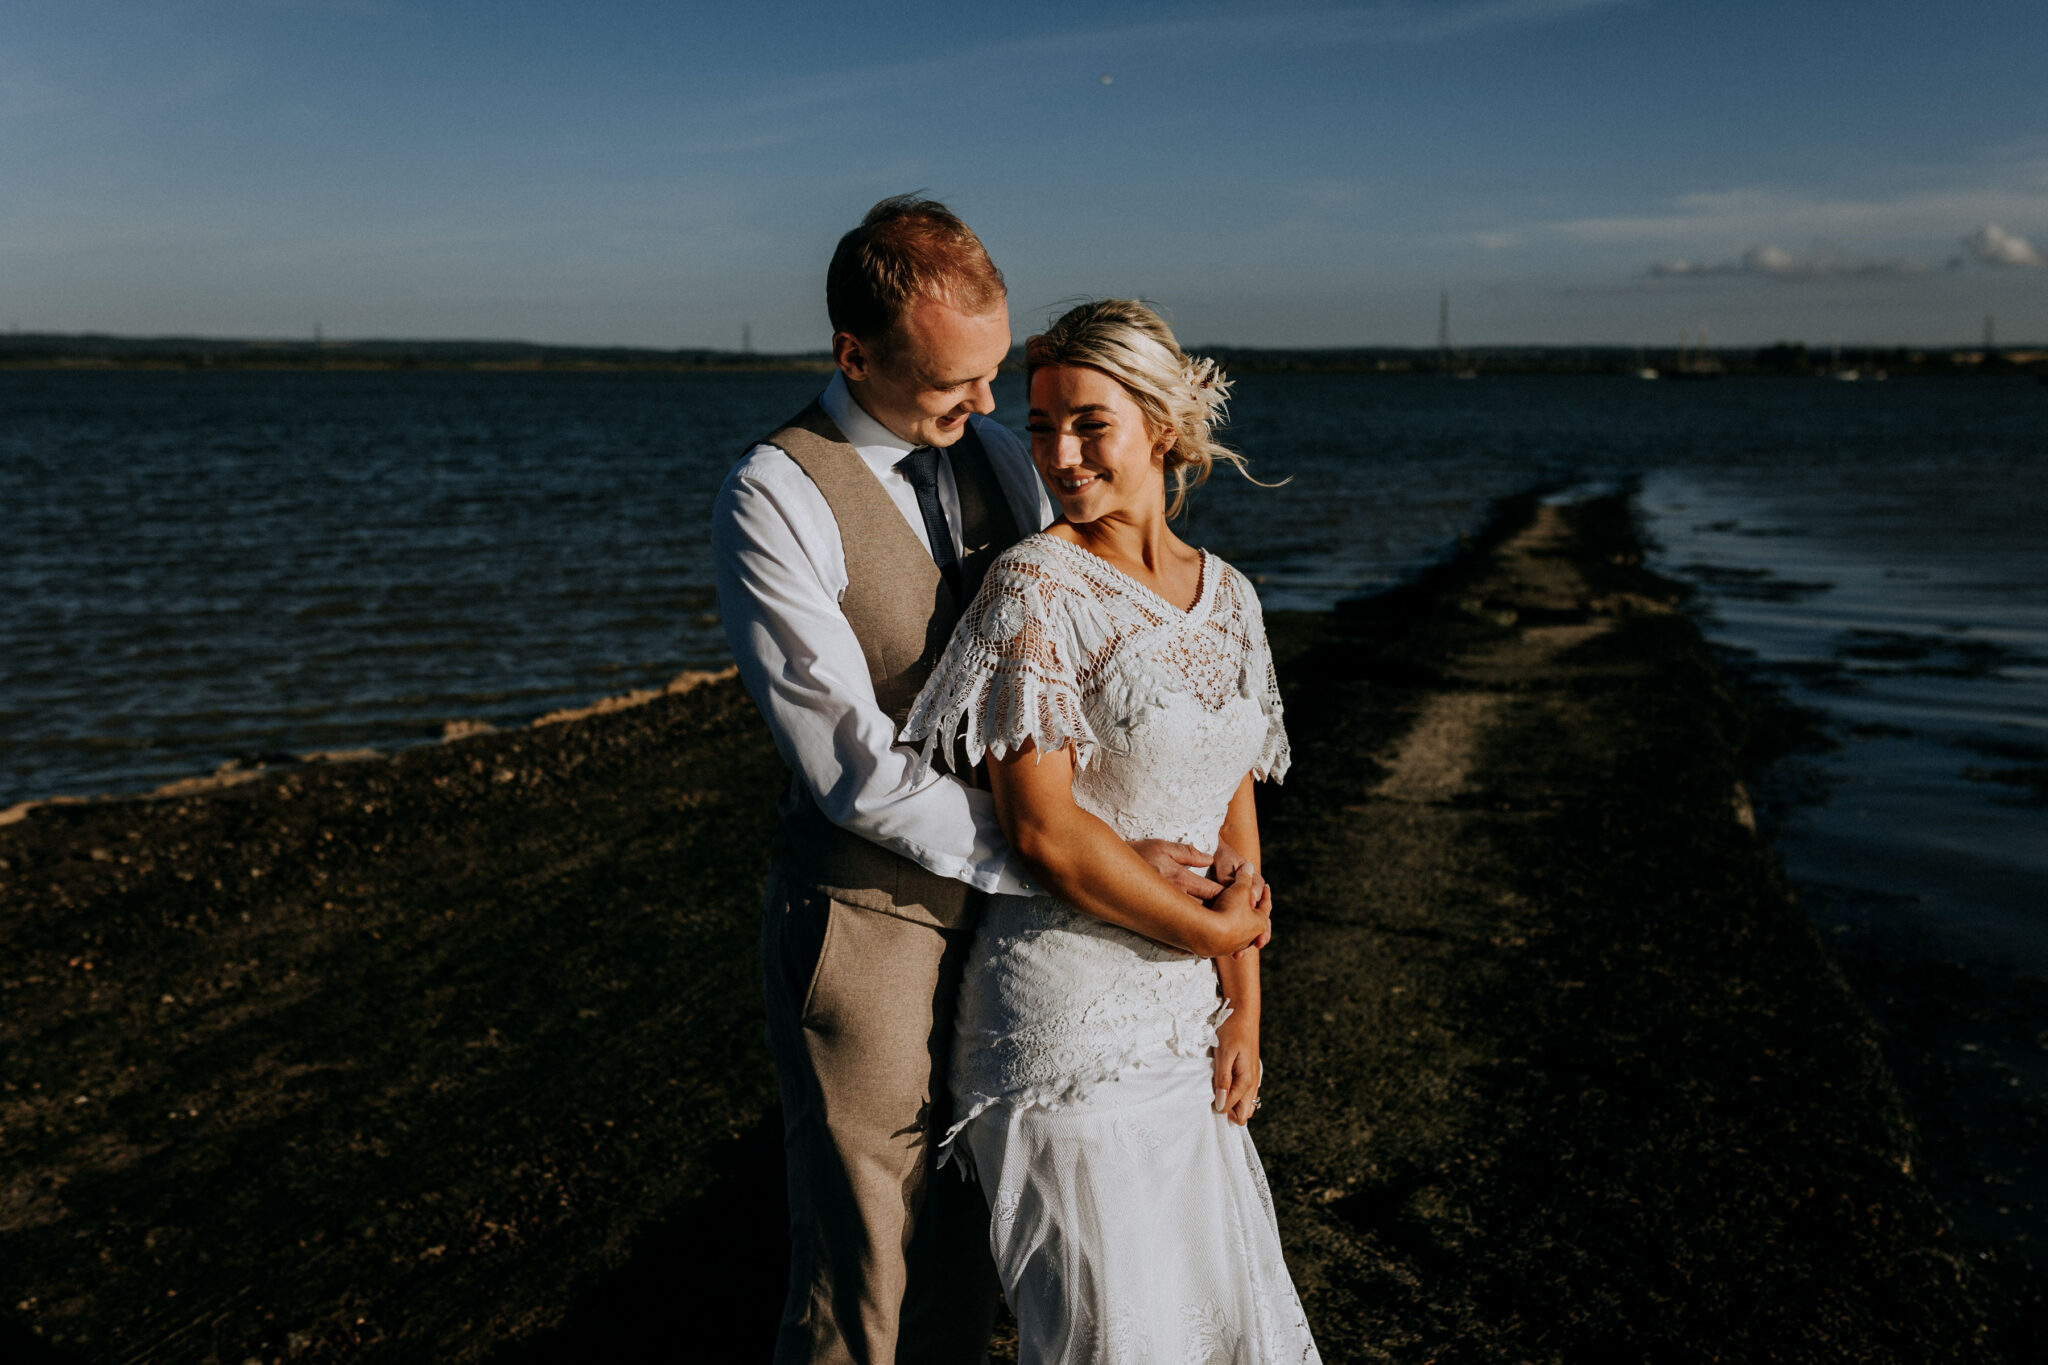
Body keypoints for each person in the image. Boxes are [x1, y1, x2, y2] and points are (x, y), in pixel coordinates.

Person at [711, 199, 1257, 1364]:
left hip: (1038, 932)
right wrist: (1065, 853)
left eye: (996, 372)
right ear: (853, 355)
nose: (991, 409)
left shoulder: (1004, 455)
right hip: (876, 920)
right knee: (865, 1266)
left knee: (976, 1262)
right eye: (954, 384)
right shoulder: (776, 494)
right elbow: (850, 768)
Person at [900, 299, 1320, 1364]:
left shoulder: (1229, 599)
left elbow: (1235, 820)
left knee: (1222, 1330)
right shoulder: (1033, 587)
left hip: (1188, 1032)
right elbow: (1038, 834)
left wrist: (1244, 1008)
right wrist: (1214, 937)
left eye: (1088, 423)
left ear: (1162, 427)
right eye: (1041, 429)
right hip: (1061, 1034)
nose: (1060, 454)